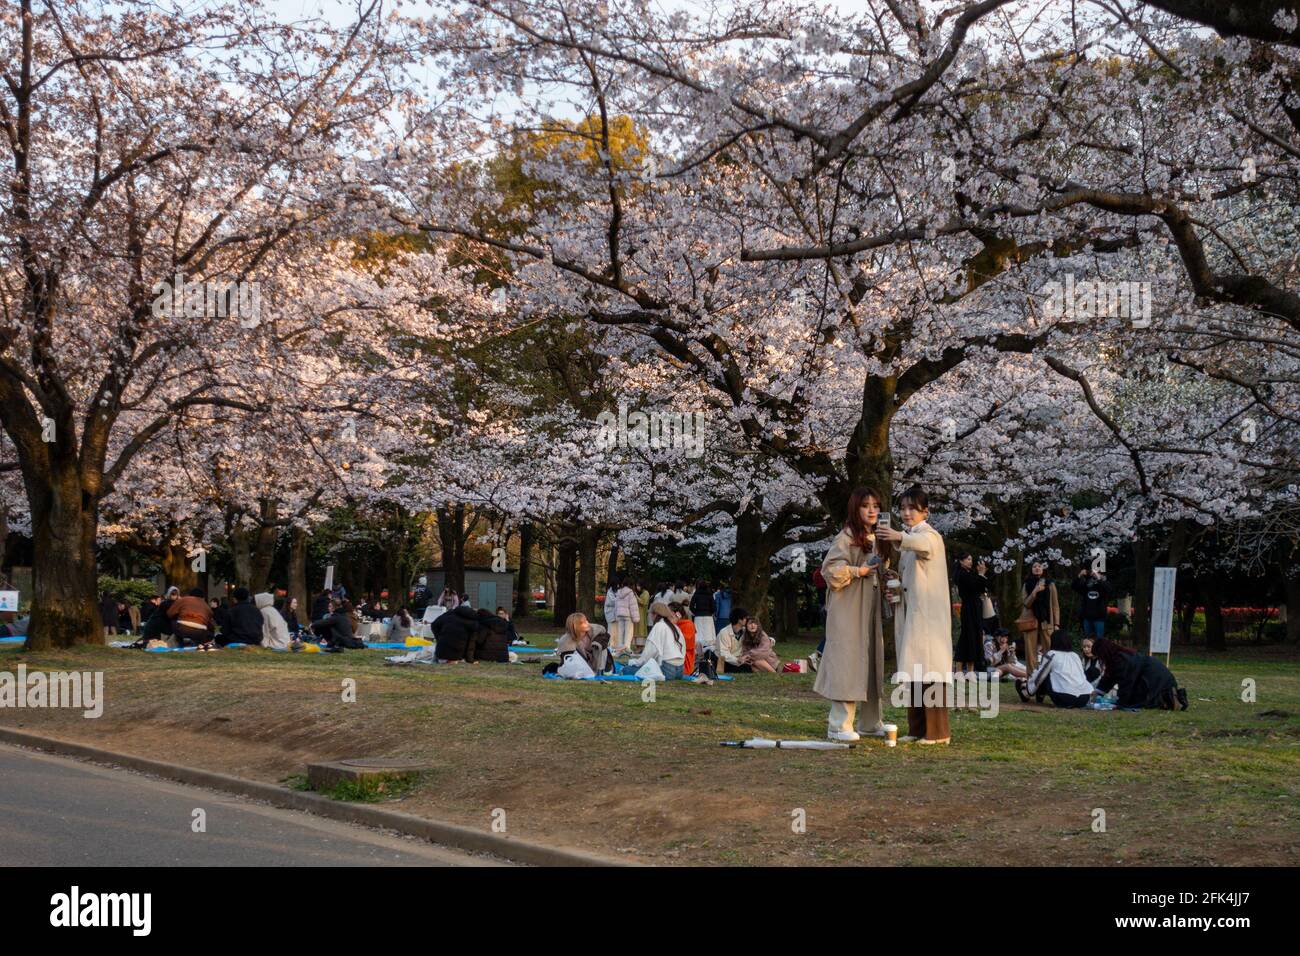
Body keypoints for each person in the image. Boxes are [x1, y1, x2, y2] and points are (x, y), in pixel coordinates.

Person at [876, 484, 952, 744]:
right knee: (914, 672)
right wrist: (895, 592)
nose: (907, 513)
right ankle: (917, 729)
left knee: (930, 671)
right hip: (913, 614)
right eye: (903, 508)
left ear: (925, 512)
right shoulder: (908, 540)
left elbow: (923, 545)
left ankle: (938, 732)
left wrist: (897, 537)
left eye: (912, 508)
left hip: (928, 618)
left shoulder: (929, 536)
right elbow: (909, 581)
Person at [816, 486, 890, 742]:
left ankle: (870, 721)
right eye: (866, 505)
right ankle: (838, 725)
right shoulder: (846, 536)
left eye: (876, 506)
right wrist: (858, 571)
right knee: (848, 661)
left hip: (869, 607)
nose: (872, 510)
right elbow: (830, 570)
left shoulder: (877, 536)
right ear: (855, 509)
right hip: (848, 608)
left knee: (871, 660)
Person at [1091, 637, 1187, 710]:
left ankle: (1167, 699)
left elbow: (1126, 683)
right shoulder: (1120, 657)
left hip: (1154, 678)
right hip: (1159, 676)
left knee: (1142, 700)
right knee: (1137, 698)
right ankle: (1169, 697)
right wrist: (1099, 691)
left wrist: (1121, 703)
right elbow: (1110, 678)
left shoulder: (1121, 661)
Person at [1018, 629, 1093, 707]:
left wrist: (1029, 690)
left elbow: (1040, 676)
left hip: (1065, 698)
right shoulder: (1075, 655)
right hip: (1084, 698)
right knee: (1048, 673)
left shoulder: (1052, 654)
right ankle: (1039, 694)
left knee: (1044, 673)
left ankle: (1029, 693)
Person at [627, 602, 686, 679]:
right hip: (680, 670)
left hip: (667, 669)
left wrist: (635, 662)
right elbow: (683, 649)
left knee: (627, 670)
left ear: (654, 614)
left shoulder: (659, 626)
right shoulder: (676, 628)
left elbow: (649, 653)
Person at [953, 552, 988, 674]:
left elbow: (980, 588)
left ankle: (970, 670)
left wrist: (980, 575)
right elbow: (976, 588)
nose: (970, 561)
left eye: (971, 559)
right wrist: (981, 574)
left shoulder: (968, 573)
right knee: (968, 637)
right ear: (961, 561)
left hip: (974, 607)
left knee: (974, 637)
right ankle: (959, 670)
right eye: (968, 559)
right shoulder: (962, 574)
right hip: (969, 608)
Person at [1021, 561, 1059, 673]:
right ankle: (1031, 677)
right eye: (1034, 566)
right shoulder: (1027, 584)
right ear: (1031, 569)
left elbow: (1055, 605)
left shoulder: (1050, 584)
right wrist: (1035, 591)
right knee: (1030, 650)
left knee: (1050, 649)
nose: (1037, 568)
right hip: (1030, 619)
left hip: (1046, 619)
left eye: (1039, 566)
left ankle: (1050, 675)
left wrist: (1056, 623)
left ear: (1043, 569)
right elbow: (1026, 603)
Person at [1072, 567, 1113, 639]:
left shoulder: (1104, 584)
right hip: (1087, 617)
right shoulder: (1087, 585)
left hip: (1099, 617)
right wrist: (1079, 575)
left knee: (1099, 640)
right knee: (1088, 639)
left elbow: (1108, 589)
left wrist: (1099, 578)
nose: (1094, 574)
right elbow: (1074, 586)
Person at [610, 575, 639, 656]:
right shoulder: (631, 593)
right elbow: (633, 606)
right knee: (628, 632)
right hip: (628, 616)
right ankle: (627, 648)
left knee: (620, 632)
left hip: (619, 615)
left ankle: (620, 650)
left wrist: (615, 615)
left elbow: (616, 605)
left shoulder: (618, 592)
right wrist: (635, 618)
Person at [716, 607, 751, 673]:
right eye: (746, 618)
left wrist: (770, 639)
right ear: (739, 620)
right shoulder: (724, 632)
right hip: (724, 661)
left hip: (739, 660)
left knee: (749, 667)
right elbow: (723, 653)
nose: (747, 620)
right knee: (746, 669)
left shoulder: (744, 631)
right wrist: (737, 660)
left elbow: (758, 635)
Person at [689, 580, 716, 657]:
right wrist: (710, 613)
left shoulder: (696, 594)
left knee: (699, 634)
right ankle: (708, 652)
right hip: (708, 617)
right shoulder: (710, 594)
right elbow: (714, 607)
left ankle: (698, 652)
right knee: (708, 635)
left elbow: (691, 606)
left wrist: (696, 612)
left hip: (698, 617)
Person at [672, 602, 697, 676]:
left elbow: (686, 645)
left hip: (684, 662)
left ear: (676, 615)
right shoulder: (672, 624)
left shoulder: (688, 625)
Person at [634, 580, 651, 648]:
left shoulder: (646, 593)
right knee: (638, 628)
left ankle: (641, 645)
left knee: (641, 629)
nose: (637, 587)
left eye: (638, 585)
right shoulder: (643, 593)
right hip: (639, 612)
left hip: (642, 613)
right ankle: (638, 645)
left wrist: (636, 597)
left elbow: (643, 602)